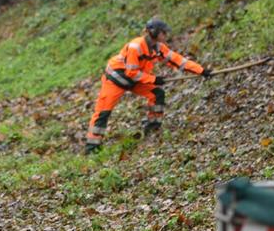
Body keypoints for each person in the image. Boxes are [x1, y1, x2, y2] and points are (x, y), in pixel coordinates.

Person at [85, 18, 211, 154]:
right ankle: (92, 147)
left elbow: (178, 60)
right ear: (154, 32)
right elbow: (131, 72)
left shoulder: (158, 47)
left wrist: (201, 71)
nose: (166, 35)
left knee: (157, 94)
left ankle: (153, 126)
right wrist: (153, 79)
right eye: (163, 32)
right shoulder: (135, 47)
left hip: (136, 80)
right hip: (115, 80)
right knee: (103, 112)